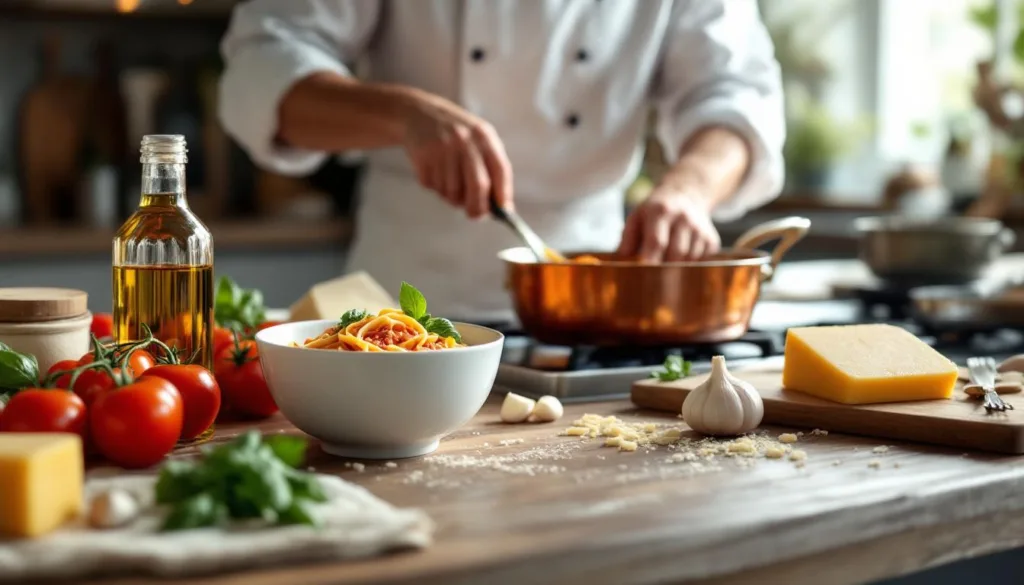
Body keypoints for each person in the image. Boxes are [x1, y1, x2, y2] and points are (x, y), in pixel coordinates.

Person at [219, 0, 785, 323]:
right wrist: (403, 115)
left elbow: (736, 94)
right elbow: (263, 67)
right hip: (407, 295)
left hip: (596, 307)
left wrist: (689, 191)